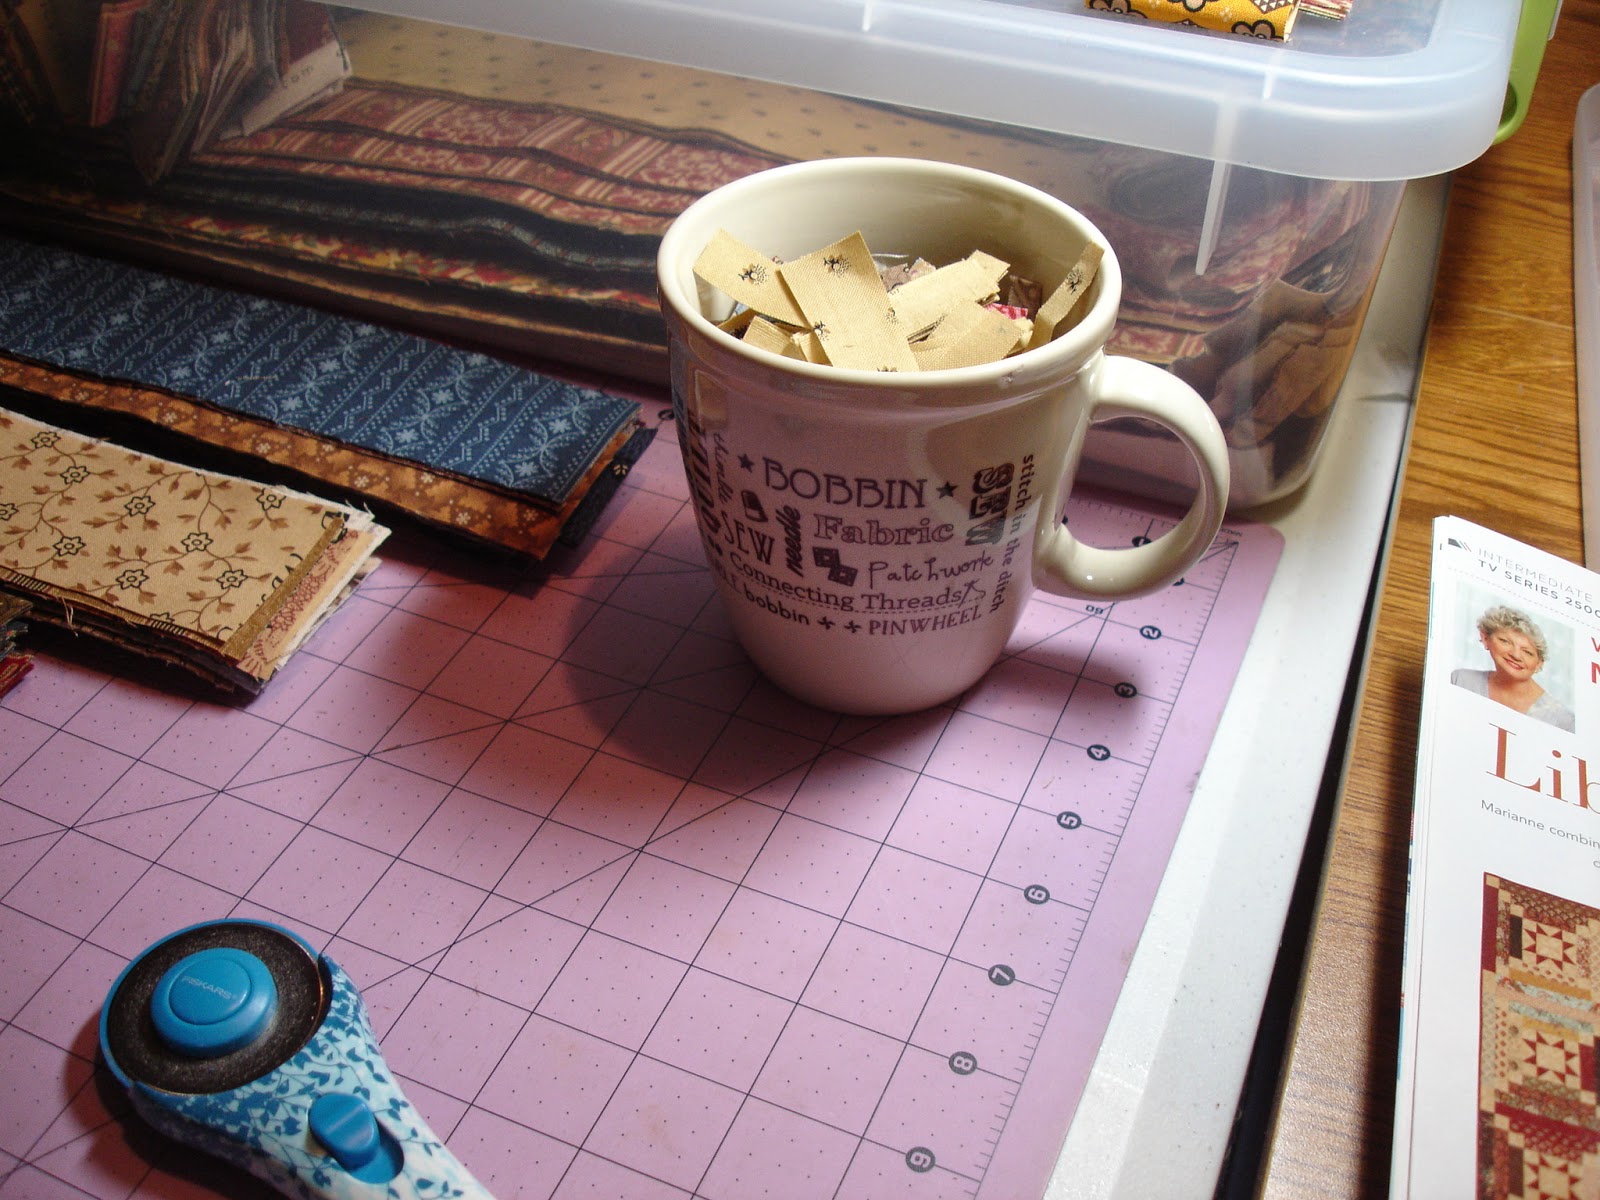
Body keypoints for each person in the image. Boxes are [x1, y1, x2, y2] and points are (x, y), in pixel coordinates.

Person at [1451, 605, 1574, 732]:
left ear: (1539, 664)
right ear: (1485, 638)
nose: (1516, 655)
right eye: (1505, 641)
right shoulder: (1460, 680)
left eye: (1527, 652)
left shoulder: (1563, 720)